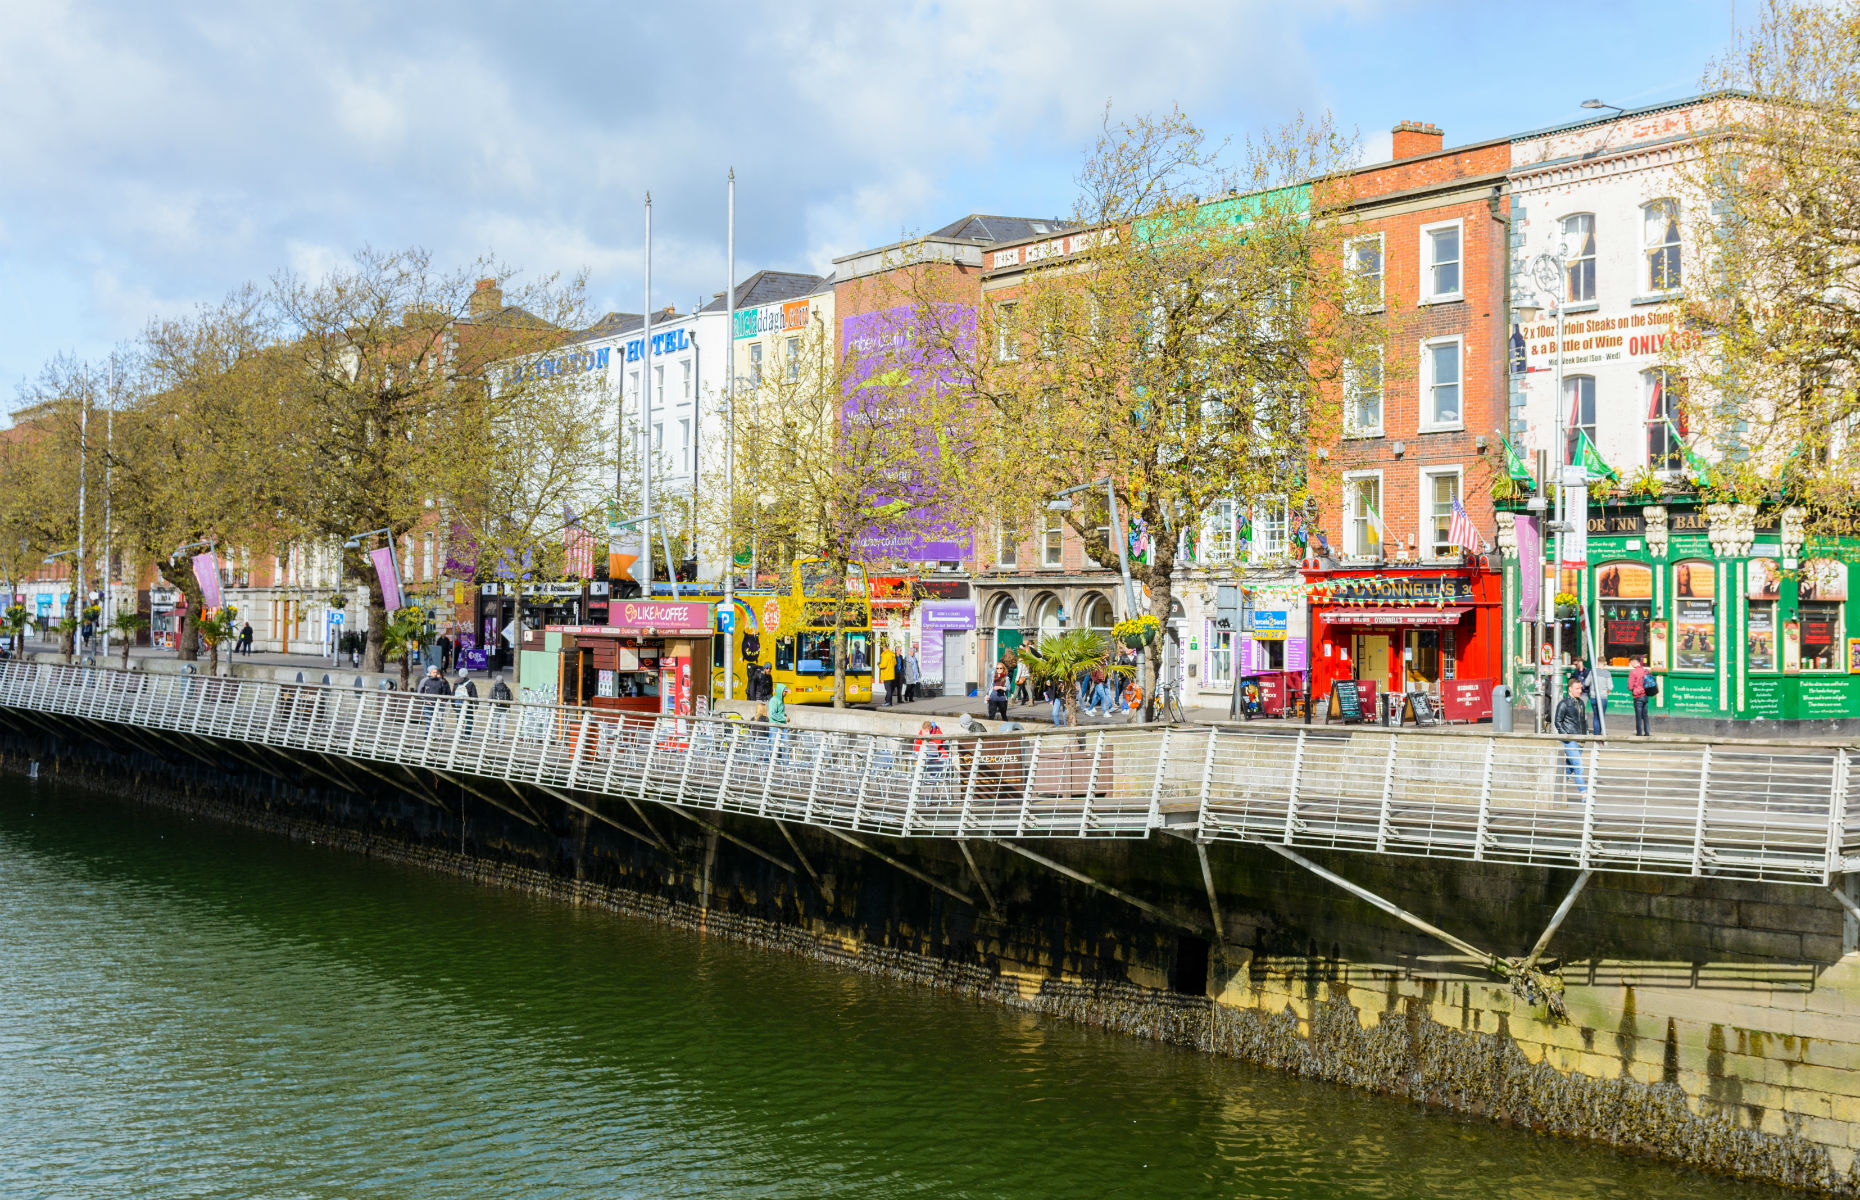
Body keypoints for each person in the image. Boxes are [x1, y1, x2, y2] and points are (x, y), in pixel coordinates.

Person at [1555, 680, 1590, 795]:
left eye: (1580, 688)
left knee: (1570, 766)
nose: (1580, 691)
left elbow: (1583, 721)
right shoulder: (1564, 703)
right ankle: (1584, 793)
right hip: (1570, 739)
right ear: (1570, 689)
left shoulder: (1580, 703)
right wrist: (1566, 736)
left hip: (1580, 739)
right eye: (1577, 689)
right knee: (1578, 766)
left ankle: (1557, 787)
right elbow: (1557, 721)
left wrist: (1585, 736)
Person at [417, 664, 452, 734]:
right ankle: (428, 735)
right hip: (428, 704)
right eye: (434, 672)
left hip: (439, 704)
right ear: (430, 672)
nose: (436, 674)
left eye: (436, 672)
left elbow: (444, 691)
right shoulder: (424, 680)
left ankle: (440, 734)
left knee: (440, 719)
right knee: (429, 720)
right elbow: (419, 692)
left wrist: (442, 699)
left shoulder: (440, 681)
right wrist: (425, 700)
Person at [1627, 655, 1653, 737]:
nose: (1630, 664)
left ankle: (1639, 733)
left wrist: (1635, 686)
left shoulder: (1633, 672)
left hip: (1638, 696)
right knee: (1645, 715)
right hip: (1646, 695)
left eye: (1631, 662)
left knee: (1638, 716)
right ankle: (1647, 732)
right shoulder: (1646, 671)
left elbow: (1630, 687)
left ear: (1634, 661)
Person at [453, 670, 478, 739]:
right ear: (466, 674)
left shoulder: (456, 683)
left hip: (458, 704)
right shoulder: (470, 683)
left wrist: (453, 706)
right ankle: (467, 735)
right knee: (469, 719)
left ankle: (459, 734)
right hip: (467, 704)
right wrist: (476, 705)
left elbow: (453, 695)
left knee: (459, 719)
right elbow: (474, 695)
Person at [880, 641, 898, 706]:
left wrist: (879, 665)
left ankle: (888, 702)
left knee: (888, 690)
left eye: (882, 648)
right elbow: (895, 663)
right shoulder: (892, 654)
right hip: (891, 675)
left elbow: (884, 665)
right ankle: (889, 702)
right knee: (889, 689)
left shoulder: (885, 654)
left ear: (885, 647)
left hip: (886, 674)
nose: (882, 649)